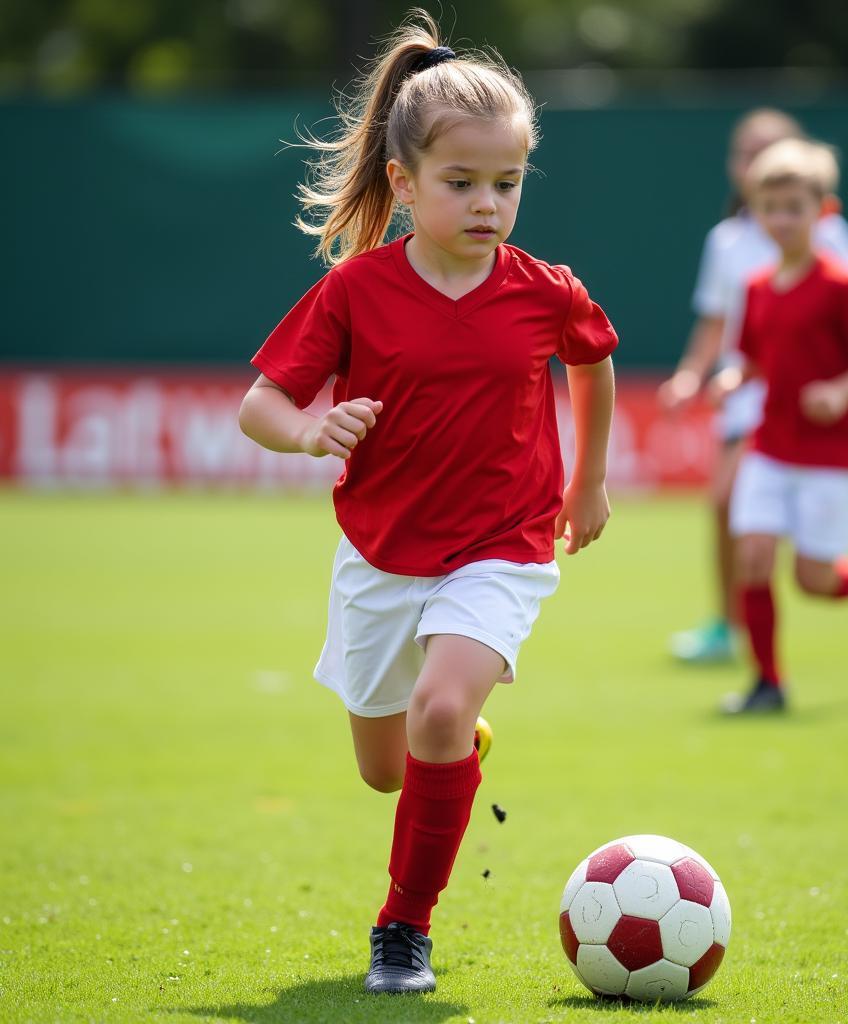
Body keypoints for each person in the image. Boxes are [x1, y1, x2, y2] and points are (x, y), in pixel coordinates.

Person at [238, 13, 617, 994]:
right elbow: (261, 404)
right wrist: (308, 431)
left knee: (440, 711)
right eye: (462, 183)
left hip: (502, 544)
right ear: (403, 183)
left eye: (508, 183)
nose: (489, 204)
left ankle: (402, 927)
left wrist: (588, 481)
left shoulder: (543, 292)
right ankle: (455, 747)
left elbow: (595, 359)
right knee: (386, 765)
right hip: (381, 556)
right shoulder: (358, 292)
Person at [659, 109, 848, 663]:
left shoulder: (827, 236)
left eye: (769, 148)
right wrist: (695, 376)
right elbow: (717, 324)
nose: (757, 161)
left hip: (817, 414)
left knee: (810, 572)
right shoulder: (729, 243)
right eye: (746, 152)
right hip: (756, 402)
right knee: (728, 506)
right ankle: (734, 633)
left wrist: (840, 388)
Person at [707, 138, 848, 714]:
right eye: (771, 207)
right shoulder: (757, 288)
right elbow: (754, 359)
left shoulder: (844, 286)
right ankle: (768, 684)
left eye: (795, 206)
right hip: (770, 445)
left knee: (814, 578)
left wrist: (841, 391)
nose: (782, 218)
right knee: (754, 557)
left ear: (823, 210)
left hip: (833, 453)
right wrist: (731, 379)